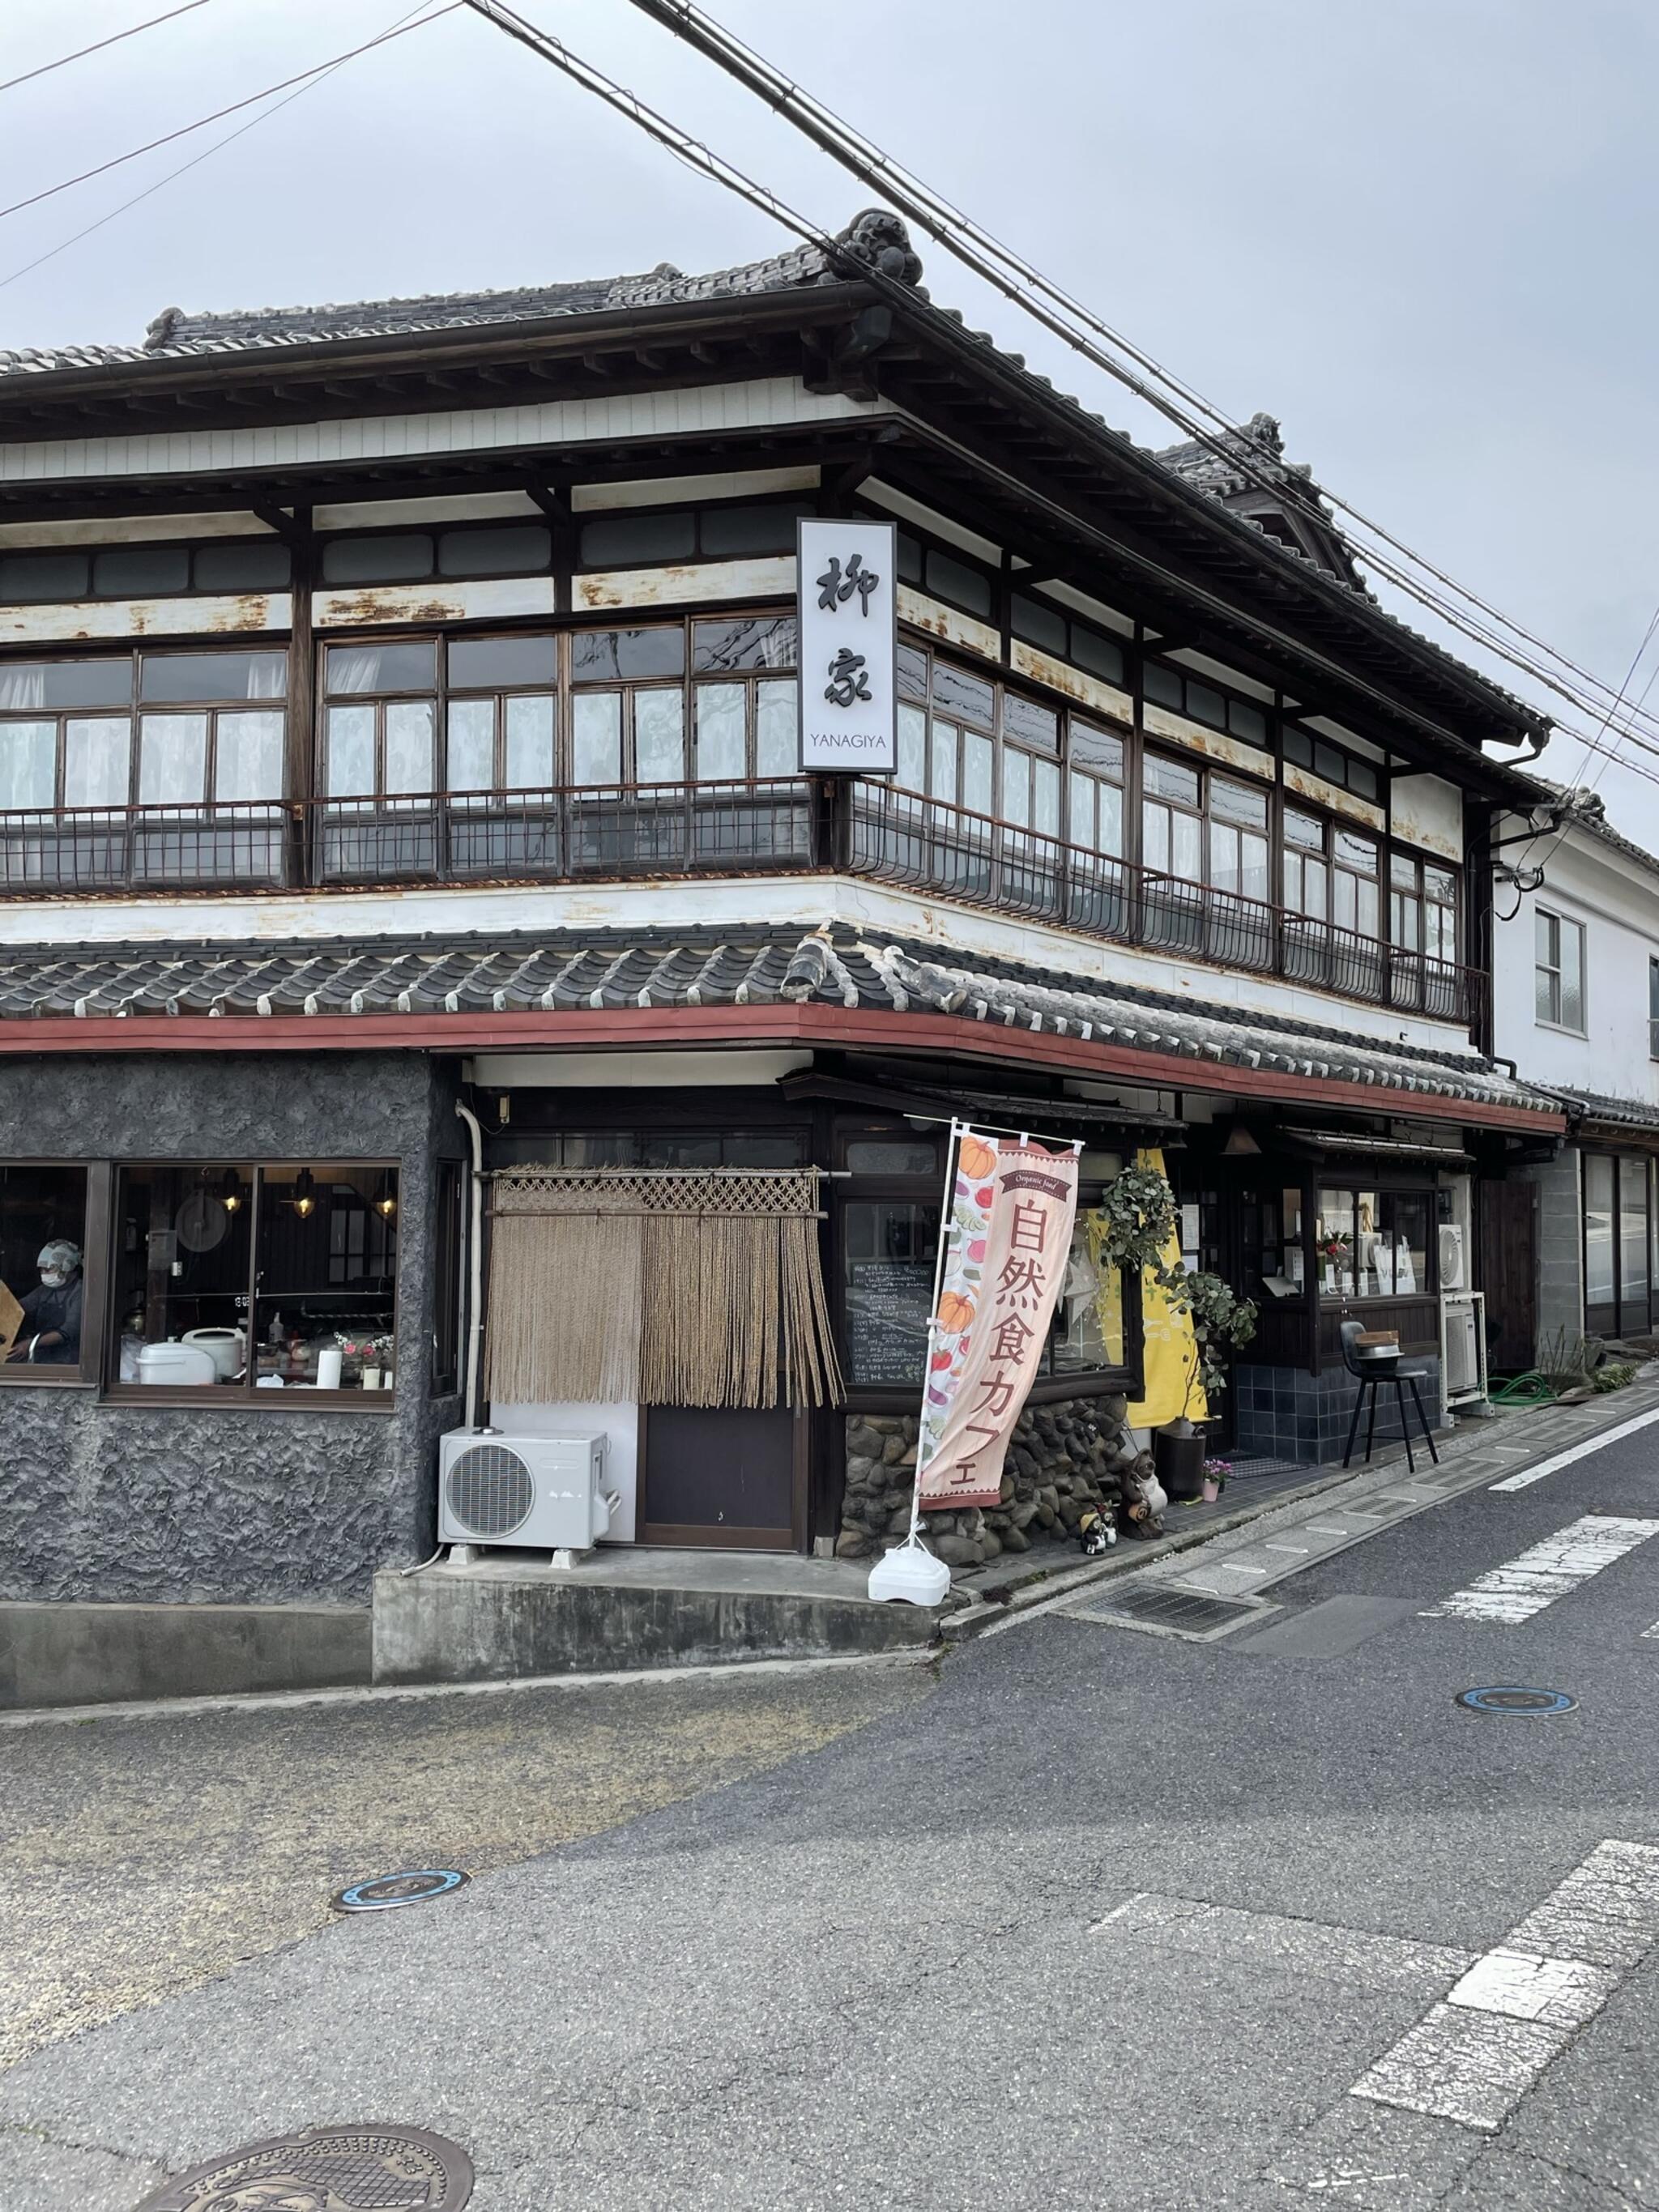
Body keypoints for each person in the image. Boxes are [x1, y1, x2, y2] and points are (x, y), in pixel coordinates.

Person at [7, 1239, 83, 1365]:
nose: (44, 1274)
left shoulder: (80, 1292)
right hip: (43, 1358)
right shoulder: (44, 1291)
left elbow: (70, 1330)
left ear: (67, 1268)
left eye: (49, 1270)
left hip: (69, 1362)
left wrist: (31, 1344)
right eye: (42, 1270)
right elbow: (19, 1308)